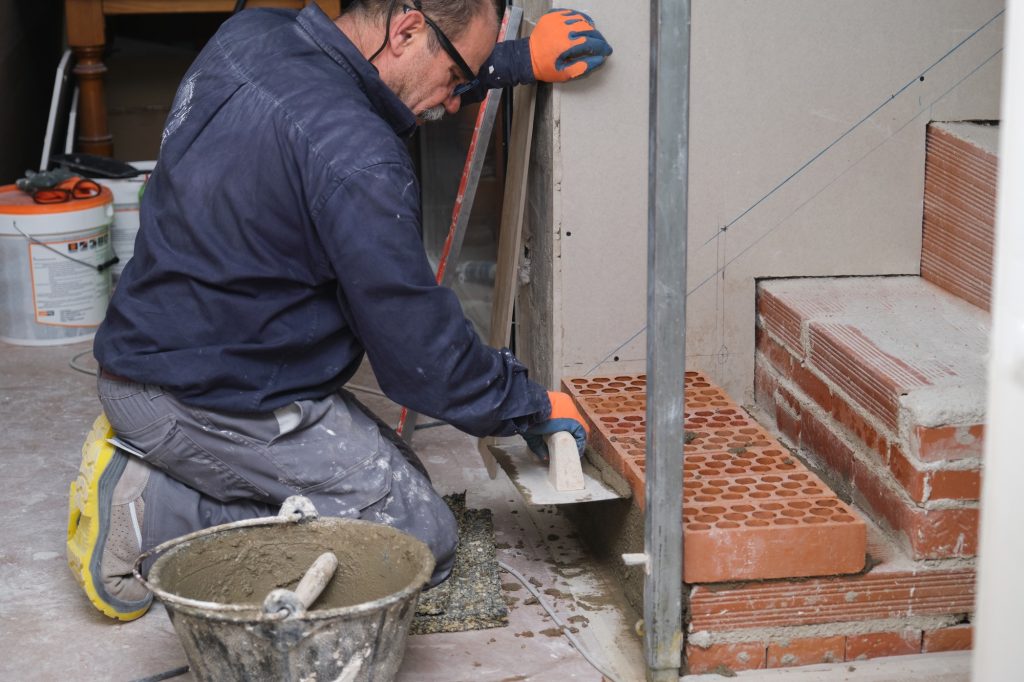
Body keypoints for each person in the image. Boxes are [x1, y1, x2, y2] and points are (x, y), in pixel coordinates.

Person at [67, 0, 612, 621]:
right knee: (414, 541)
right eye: (459, 78)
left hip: (171, 345)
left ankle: (180, 470)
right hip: (198, 395)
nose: (454, 102)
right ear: (406, 29)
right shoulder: (356, 156)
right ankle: (152, 510)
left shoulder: (250, 34)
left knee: (398, 475)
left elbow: (358, 92)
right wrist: (529, 406)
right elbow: (421, 360)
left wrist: (506, 63)